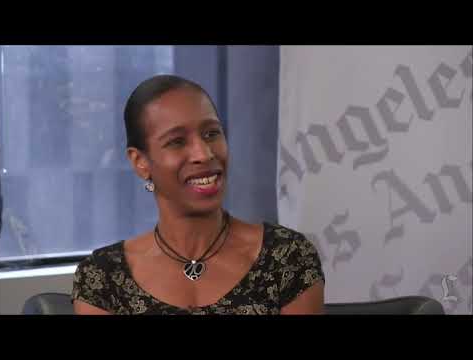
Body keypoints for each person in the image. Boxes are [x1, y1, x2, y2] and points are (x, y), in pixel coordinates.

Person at [71, 74, 325, 315]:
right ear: (140, 162)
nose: (204, 154)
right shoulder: (103, 277)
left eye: (211, 134)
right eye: (177, 141)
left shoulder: (288, 257)